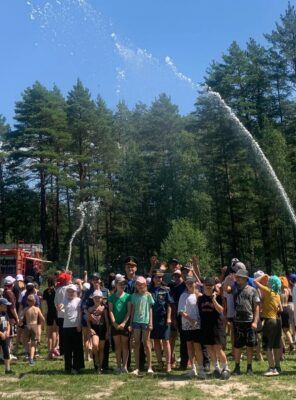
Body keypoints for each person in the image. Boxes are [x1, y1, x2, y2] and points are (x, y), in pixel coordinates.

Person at [230, 268, 260, 376]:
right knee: (237, 345)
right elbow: (225, 288)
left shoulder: (253, 290)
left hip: (249, 321)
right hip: (238, 321)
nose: (237, 279)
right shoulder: (235, 289)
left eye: (239, 277)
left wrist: (255, 321)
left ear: (245, 278)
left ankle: (249, 367)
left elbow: (256, 307)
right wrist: (229, 277)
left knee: (249, 345)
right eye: (236, 277)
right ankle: (237, 367)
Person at [198, 277, 230, 380]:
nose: (207, 288)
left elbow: (221, 310)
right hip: (205, 326)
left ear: (213, 287)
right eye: (206, 286)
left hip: (217, 326)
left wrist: (213, 299)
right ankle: (216, 367)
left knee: (218, 348)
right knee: (209, 348)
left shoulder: (219, 297)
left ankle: (226, 368)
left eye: (209, 286)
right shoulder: (200, 299)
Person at [255, 274, 282, 376]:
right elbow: (280, 309)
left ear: (271, 284)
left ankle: (272, 368)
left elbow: (255, 282)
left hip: (269, 321)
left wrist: (263, 275)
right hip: (277, 321)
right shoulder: (277, 294)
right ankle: (278, 366)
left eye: (269, 281)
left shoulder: (268, 291)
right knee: (275, 345)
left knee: (267, 346)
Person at [178, 276, 205, 379]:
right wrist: (191, 320)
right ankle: (193, 368)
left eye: (191, 282)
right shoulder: (183, 296)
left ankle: (201, 369)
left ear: (195, 283)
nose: (190, 284)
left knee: (198, 347)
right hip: (187, 325)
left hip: (198, 326)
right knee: (189, 346)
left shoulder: (199, 295)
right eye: (188, 283)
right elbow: (181, 311)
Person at [130, 276, 155, 376]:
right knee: (136, 343)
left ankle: (149, 367)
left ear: (145, 285)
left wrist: (151, 322)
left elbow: (150, 309)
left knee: (147, 343)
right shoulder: (134, 296)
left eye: (142, 284)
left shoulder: (148, 295)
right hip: (136, 321)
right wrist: (131, 323)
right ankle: (136, 368)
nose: (140, 286)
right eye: (138, 284)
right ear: (136, 285)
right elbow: (132, 310)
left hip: (145, 321)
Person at [149, 270, 173, 373]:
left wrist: (168, 318)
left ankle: (168, 364)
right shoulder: (149, 290)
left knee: (166, 341)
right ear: (153, 279)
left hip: (163, 319)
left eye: (160, 277)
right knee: (156, 341)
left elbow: (169, 305)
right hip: (153, 319)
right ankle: (159, 363)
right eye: (156, 277)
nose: (159, 279)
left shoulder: (166, 290)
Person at [108, 275, 131, 373]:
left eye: (123, 284)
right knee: (117, 346)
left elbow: (129, 312)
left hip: (125, 325)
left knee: (125, 345)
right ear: (116, 284)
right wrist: (114, 323)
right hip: (115, 325)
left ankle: (125, 366)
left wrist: (124, 323)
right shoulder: (111, 297)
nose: (122, 285)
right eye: (120, 284)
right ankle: (118, 366)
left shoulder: (128, 296)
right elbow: (110, 311)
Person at [62, 284, 84, 374]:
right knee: (67, 349)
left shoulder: (78, 300)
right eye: (69, 291)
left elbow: (80, 313)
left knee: (76, 348)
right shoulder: (64, 300)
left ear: (76, 292)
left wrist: (79, 324)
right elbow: (61, 309)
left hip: (76, 326)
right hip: (66, 326)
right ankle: (68, 367)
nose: (71, 293)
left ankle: (76, 367)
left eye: (72, 291)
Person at [87, 290, 109, 373]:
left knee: (102, 349)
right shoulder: (90, 309)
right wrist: (90, 329)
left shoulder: (104, 309)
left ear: (102, 299)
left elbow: (107, 321)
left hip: (103, 329)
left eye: (99, 297)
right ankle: (96, 359)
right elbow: (88, 321)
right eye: (95, 297)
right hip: (95, 330)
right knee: (95, 346)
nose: (97, 299)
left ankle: (99, 367)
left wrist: (107, 331)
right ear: (93, 299)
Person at [21, 294, 45, 366]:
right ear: (34, 301)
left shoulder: (25, 309)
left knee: (26, 341)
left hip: (27, 325)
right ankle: (31, 359)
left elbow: (21, 318)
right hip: (34, 326)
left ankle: (28, 354)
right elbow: (42, 319)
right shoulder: (37, 309)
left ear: (27, 302)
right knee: (33, 344)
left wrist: (20, 323)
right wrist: (42, 326)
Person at [54, 272, 72, 356]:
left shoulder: (57, 290)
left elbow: (55, 303)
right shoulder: (69, 288)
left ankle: (62, 351)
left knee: (61, 334)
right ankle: (69, 350)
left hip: (60, 314)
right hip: (68, 314)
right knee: (69, 333)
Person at [43, 277, 59, 359]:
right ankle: (54, 349)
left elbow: (44, 305)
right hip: (56, 313)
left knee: (49, 334)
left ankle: (49, 353)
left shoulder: (45, 291)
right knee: (55, 332)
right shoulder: (57, 291)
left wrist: (45, 314)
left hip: (49, 313)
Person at [0, 298, 14, 374]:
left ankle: (7, 369)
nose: (7, 307)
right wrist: (1, 333)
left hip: (4, 335)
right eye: (5, 305)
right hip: (1, 334)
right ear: (1, 305)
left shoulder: (4, 313)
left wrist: (7, 331)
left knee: (6, 352)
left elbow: (8, 323)